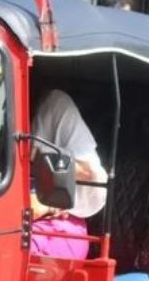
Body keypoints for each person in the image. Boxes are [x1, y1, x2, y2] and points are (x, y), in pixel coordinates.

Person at [30, 88, 107, 260]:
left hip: (60, 229)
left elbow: (91, 174)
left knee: (10, 251)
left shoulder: (54, 104)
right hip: (10, 226)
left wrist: (49, 205)